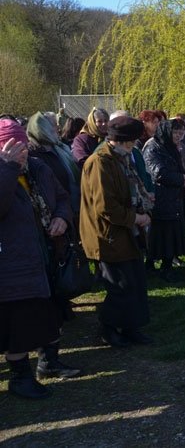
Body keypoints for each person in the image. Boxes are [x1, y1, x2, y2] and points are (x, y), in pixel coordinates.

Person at [1, 119, 75, 398]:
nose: (21, 153)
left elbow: (62, 196)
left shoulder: (38, 168)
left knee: (51, 311)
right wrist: (7, 169)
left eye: (23, 146)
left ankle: (49, 362)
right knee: (18, 323)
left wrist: (61, 217)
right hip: (13, 264)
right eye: (13, 147)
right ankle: (20, 378)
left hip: (46, 252)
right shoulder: (5, 172)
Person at [80, 116, 154, 347]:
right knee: (119, 286)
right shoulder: (100, 162)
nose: (133, 147)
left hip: (126, 233)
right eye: (131, 142)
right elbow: (105, 207)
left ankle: (131, 327)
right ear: (119, 141)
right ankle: (109, 329)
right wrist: (136, 218)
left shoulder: (121, 159)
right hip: (108, 235)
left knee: (135, 282)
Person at [143, 119, 185, 282]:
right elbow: (158, 173)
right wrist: (180, 178)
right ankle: (157, 266)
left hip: (173, 198)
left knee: (170, 234)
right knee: (161, 235)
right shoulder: (153, 147)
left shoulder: (171, 147)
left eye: (181, 132)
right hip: (160, 198)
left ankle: (167, 265)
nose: (178, 136)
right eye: (175, 132)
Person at [27, 111, 82, 217]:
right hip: (55, 214)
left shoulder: (60, 147)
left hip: (71, 207)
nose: (59, 128)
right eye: (54, 125)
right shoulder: (32, 153)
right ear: (42, 128)